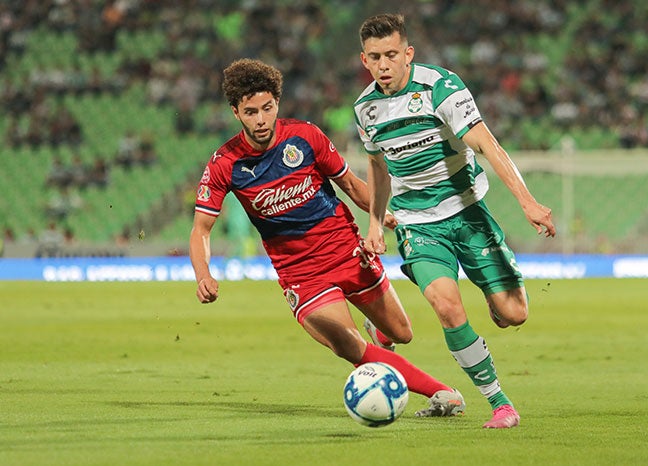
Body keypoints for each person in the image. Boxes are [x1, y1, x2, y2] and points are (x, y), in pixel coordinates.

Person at [189, 58, 466, 417]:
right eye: (251, 111)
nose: (260, 119)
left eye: (267, 108)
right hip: (301, 272)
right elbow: (201, 230)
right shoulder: (225, 162)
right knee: (350, 346)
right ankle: (444, 393)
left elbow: (351, 185)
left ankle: (382, 341)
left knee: (402, 333)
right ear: (236, 112)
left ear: (277, 103)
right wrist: (203, 274)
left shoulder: (306, 137)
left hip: (346, 250)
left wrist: (386, 218)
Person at [354, 14, 557, 429]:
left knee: (514, 314)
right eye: (376, 57)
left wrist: (528, 202)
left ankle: (492, 295)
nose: (385, 64)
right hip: (417, 223)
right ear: (365, 61)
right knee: (446, 305)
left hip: (468, 214)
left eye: (392, 54)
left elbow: (486, 143)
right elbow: (377, 168)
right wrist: (374, 223)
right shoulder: (365, 109)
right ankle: (500, 403)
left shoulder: (440, 87)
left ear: (407, 54)